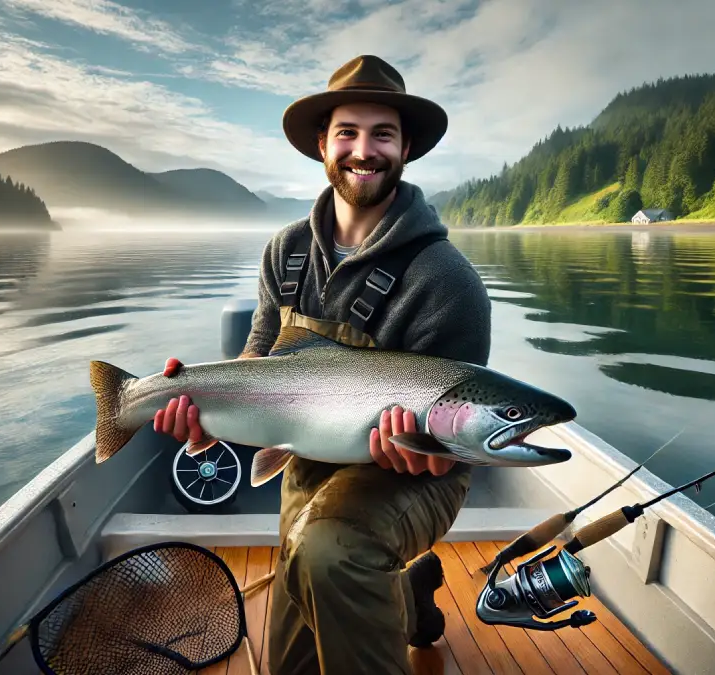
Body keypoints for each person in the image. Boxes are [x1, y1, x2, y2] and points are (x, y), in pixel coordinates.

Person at [152, 55, 492, 675]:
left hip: (415, 473)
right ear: (322, 145)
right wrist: (208, 416)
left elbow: (457, 432)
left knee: (331, 554)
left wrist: (432, 451)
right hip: (306, 457)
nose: (365, 150)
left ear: (406, 147)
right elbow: (257, 362)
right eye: (348, 132)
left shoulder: (448, 280)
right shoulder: (284, 251)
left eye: (382, 133)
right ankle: (409, 585)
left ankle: (389, 566)